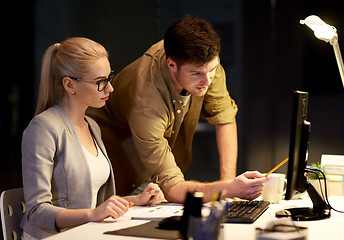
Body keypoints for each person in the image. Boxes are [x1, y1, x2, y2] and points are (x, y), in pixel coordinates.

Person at [87, 16, 270, 203]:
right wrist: (227, 189)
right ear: (172, 65)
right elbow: (172, 187)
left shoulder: (202, 60)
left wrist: (228, 184)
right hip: (117, 157)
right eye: (196, 74)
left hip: (155, 163)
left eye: (212, 69)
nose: (207, 80)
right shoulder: (146, 102)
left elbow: (224, 117)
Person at [21, 37, 164, 240]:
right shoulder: (43, 128)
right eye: (100, 82)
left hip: (86, 233)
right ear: (70, 85)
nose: (110, 89)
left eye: (109, 78)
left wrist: (137, 200)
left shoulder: (92, 126)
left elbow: (94, 205)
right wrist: (93, 214)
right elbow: (36, 211)